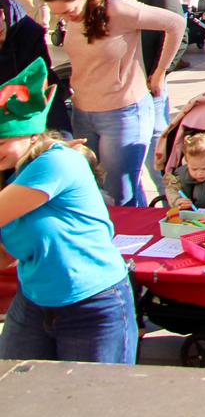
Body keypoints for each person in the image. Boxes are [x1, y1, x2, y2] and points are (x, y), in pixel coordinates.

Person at [0, 59, 137, 365]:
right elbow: (5, 256)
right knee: (17, 388)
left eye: (2, 141)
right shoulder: (11, 174)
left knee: (91, 395)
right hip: (36, 300)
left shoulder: (57, 162)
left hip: (94, 305)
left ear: (33, 135)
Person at [40, 0, 183, 207]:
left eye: (69, 11)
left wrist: (160, 71)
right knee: (93, 188)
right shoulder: (75, 15)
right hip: (83, 111)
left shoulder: (118, 8)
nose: (65, 18)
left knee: (119, 194)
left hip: (123, 112)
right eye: (58, 14)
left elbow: (176, 23)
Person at [87, 0, 184, 178]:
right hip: (122, 84)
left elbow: (179, 30)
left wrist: (160, 72)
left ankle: (169, 196)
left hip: (149, 78)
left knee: (157, 147)